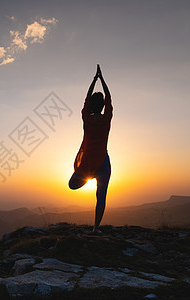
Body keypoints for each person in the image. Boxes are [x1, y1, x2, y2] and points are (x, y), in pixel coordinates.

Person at [69, 64, 112, 234]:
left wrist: (94, 80)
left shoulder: (86, 118)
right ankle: (96, 229)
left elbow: (86, 99)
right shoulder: (106, 118)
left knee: (72, 185)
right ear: (102, 106)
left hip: (87, 162)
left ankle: (90, 176)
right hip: (103, 162)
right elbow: (109, 97)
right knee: (101, 195)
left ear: (91, 106)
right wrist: (102, 79)